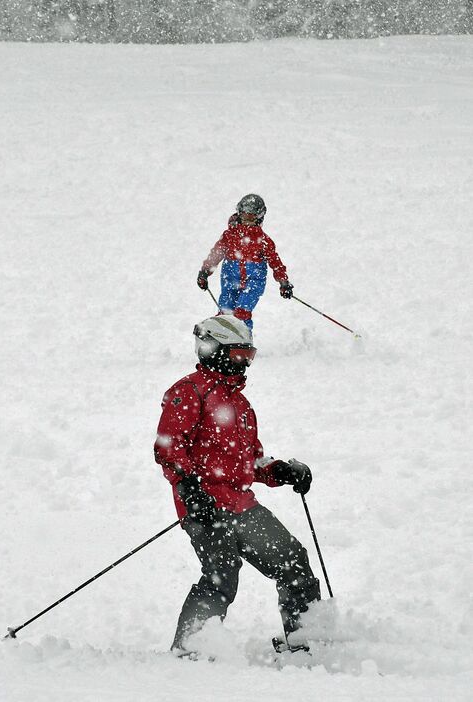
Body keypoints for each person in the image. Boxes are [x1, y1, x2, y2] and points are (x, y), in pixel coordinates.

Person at [154, 314, 320, 658]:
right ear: (213, 350)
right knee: (220, 575)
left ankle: (305, 637)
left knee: (292, 560)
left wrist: (281, 471)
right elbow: (169, 448)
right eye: (238, 356)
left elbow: (250, 462)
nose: (244, 364)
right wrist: (189, 488)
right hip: (204, 506)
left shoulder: (240, 405)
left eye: (249, 356)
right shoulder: (189, 392)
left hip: (241, 505)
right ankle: (190, 648)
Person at [197, 194, 294, 330]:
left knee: (242, 312)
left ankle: (243, 339)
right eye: (244, 215)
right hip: (230, 280)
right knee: (225, 311)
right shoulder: (229, 235)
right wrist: (204, 272)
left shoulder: (263, 241)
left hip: (253, 283)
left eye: (251, 216)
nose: (247, 220)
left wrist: (284, 283)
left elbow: (275, 262)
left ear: (259, 217)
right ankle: (222, 337)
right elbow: (216, 254)